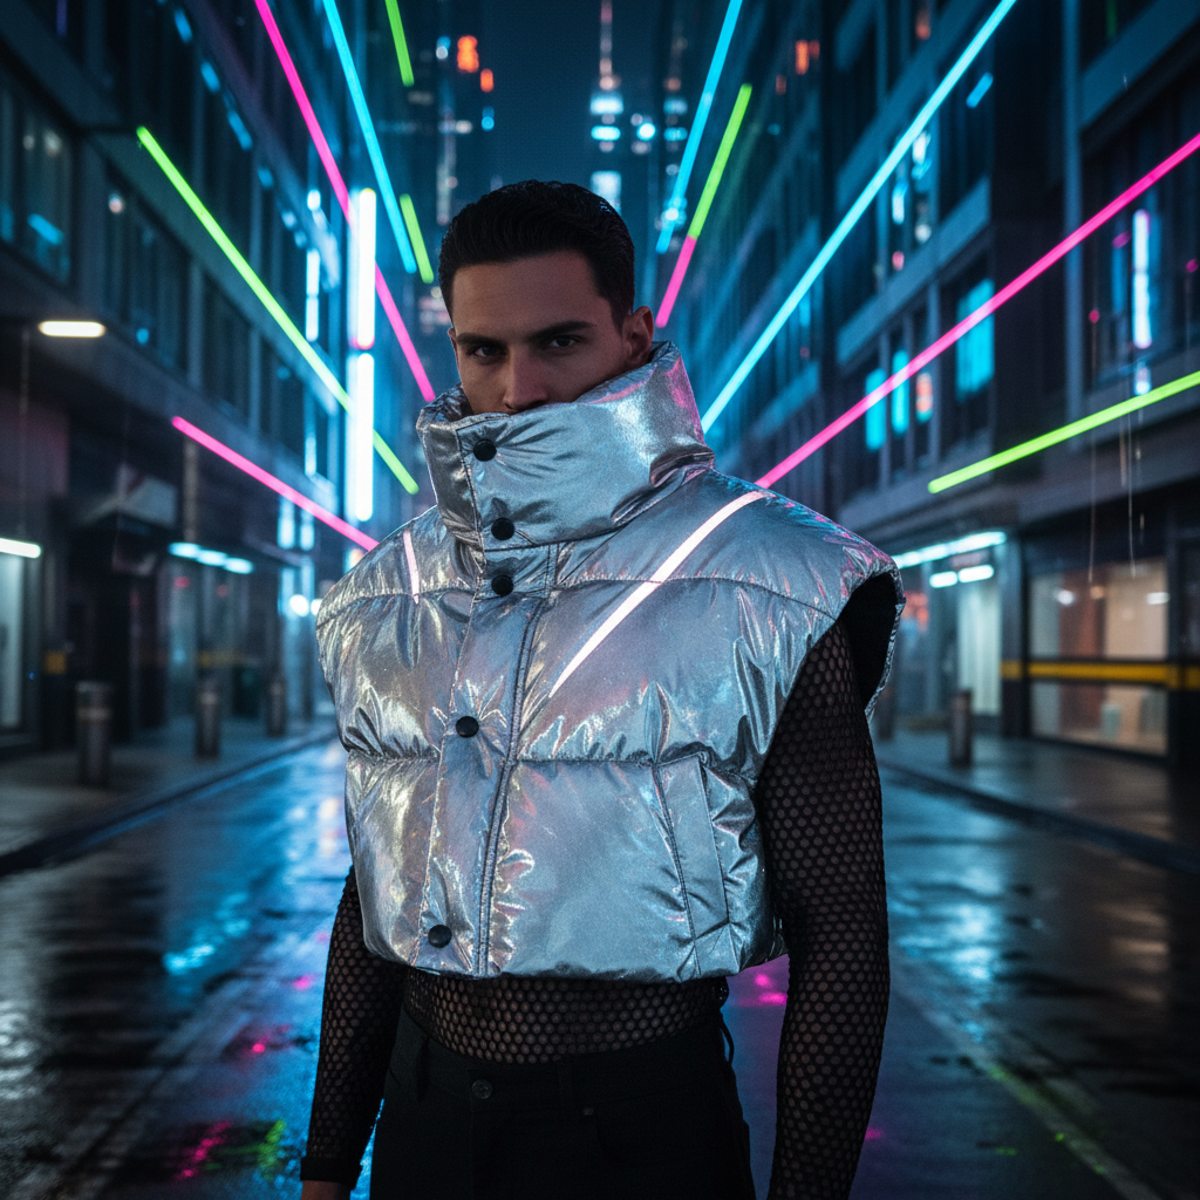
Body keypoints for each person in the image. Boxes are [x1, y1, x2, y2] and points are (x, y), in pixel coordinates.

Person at [299, 181, 902, 1200]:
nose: (517, 386)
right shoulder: (384, 593)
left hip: (641, 1135)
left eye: (560, 342)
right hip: (424, 1126)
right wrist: (325, 1164)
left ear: (634, 333)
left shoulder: (772, 580)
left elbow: (841, 926)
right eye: (482, 350)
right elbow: (374, 898)